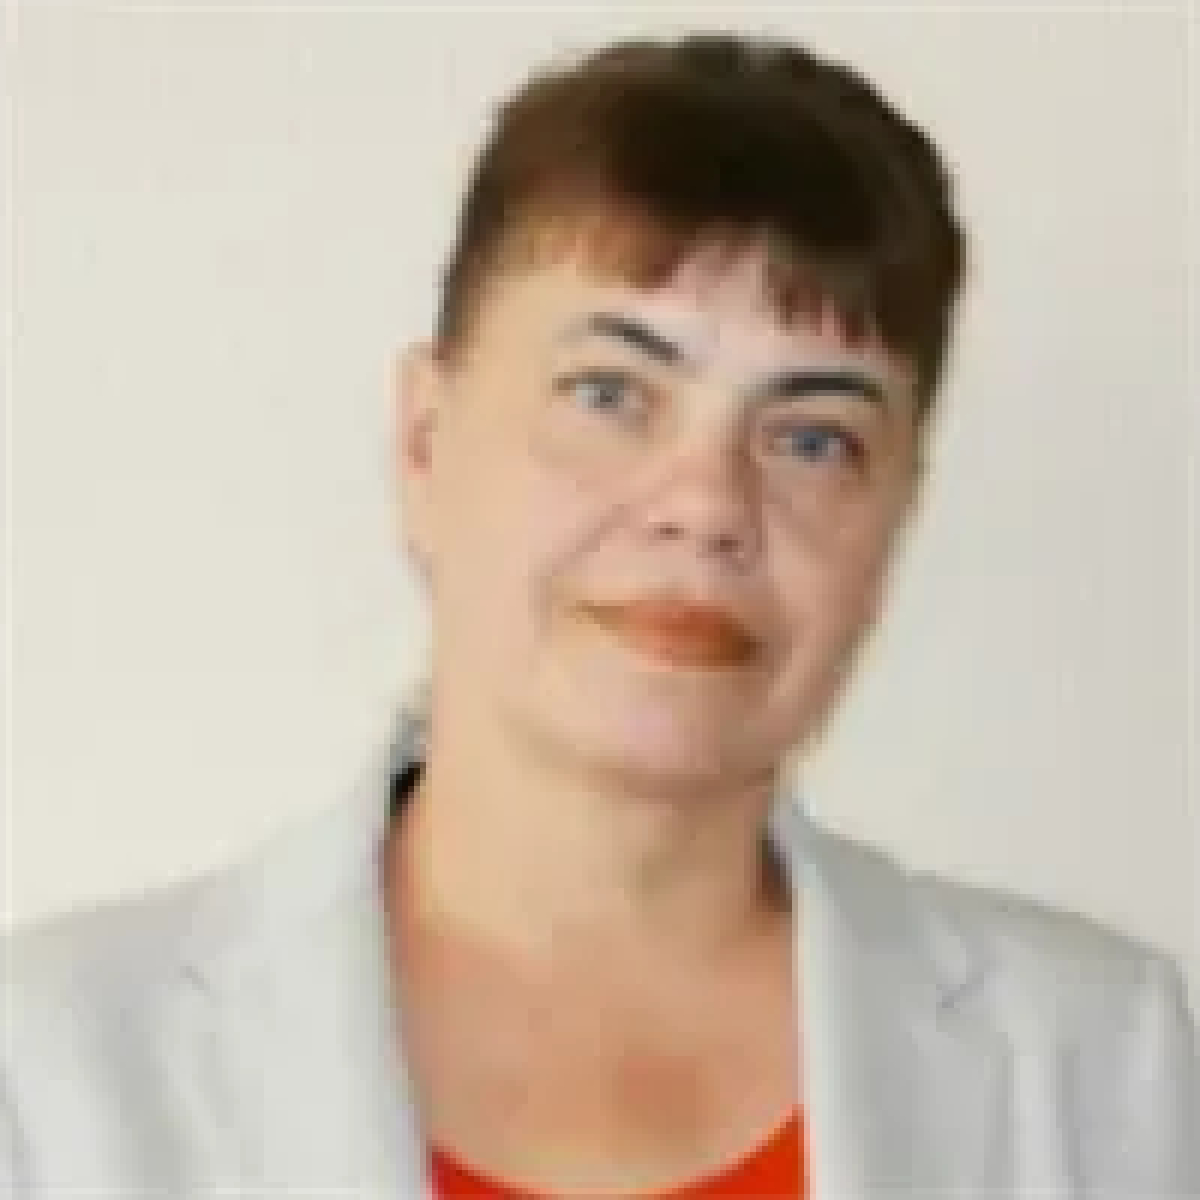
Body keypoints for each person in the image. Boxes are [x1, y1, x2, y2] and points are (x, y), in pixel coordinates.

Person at [2, 32, 1196, 1200]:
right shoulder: (50, 1080)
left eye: (812, 438)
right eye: (612, 393)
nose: (709, 506)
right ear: (424, 442)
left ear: (894, 516)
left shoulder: (1095, 1066)